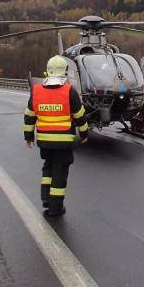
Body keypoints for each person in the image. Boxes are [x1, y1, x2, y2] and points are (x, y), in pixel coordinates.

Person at [24, 55, 89, 217]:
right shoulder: (69, 91)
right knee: (60, 173)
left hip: (44, 142)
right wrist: (84, 134)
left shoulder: (37, 91)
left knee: (48, 167)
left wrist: (29, 137)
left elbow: (29, 116)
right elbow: (80, 116)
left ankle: (45, 198)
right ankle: (55, 208)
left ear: (47, 71)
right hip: (63, 142)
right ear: (65, 72)